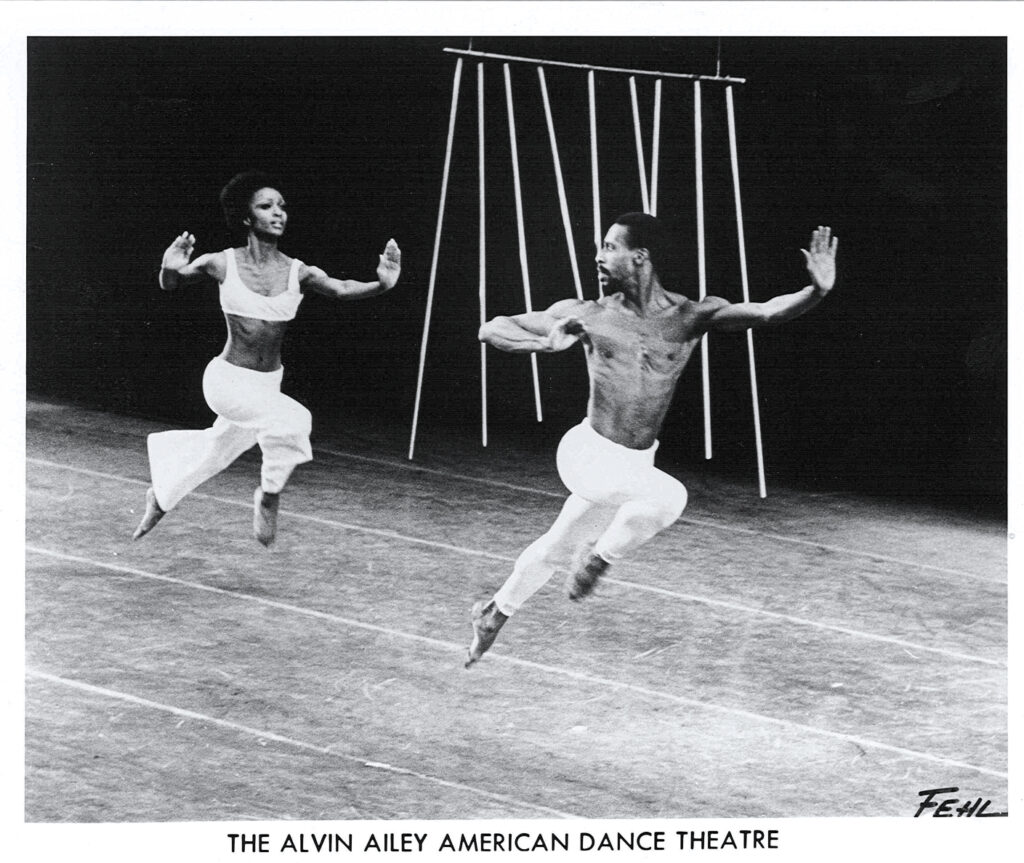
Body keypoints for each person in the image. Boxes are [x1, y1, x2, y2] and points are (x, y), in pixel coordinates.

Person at [466, 213, 837, 666]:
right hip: (588, 454)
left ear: (639, 256)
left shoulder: (689, 316)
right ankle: (599, 559)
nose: (599, 256)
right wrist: (542, 346)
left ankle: (493, 613)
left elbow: (766, 311)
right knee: (671, 496)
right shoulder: (588, 313)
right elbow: (492, 327)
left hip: (633, 463)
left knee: (556, 545)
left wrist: (815, 291)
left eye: (609, 247)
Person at [132, 171, 401, 546]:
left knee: (217, 450)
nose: (278, 213)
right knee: (295, 419)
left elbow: (340, 289)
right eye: (266, 206)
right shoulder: (221, 262)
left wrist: (381, 284)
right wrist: (167, 264)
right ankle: (269, 496)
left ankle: (160, 497)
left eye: (281, 206)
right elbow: (172, 282)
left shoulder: (299, 271)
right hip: (227, 381)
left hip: (265, 386)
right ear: (246, 218)